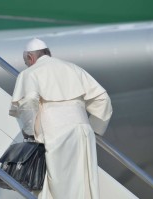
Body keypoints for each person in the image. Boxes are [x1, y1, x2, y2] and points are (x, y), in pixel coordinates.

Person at [9, 38, 113, 199]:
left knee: (58, 187)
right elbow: (102, 99)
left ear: (30, 58)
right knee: (83, 182)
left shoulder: (30, 73)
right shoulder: (73, 68)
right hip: (83, 132)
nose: (27, 65)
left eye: (26, 62)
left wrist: (30, 131)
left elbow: (29, 102)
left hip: (54, 132)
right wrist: (94, 129)